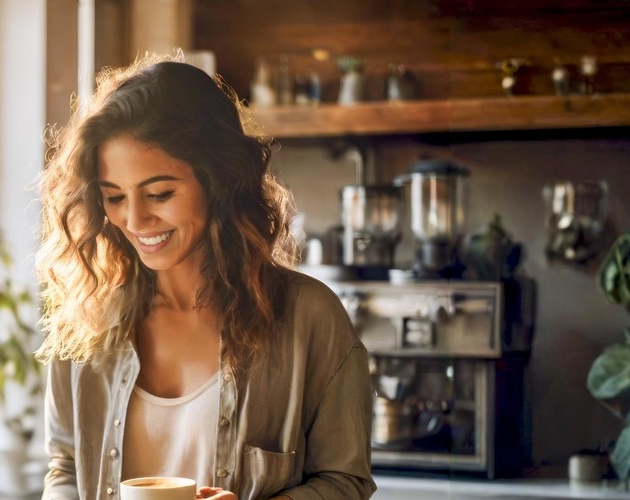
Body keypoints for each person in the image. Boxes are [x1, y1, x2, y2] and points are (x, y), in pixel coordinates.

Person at [35, 53, 375, 500]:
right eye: (114, 197)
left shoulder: (308, 317)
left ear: (219, 182)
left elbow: (345, 480)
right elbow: (66, 467)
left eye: (160, 193)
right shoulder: (88, 317)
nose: (135, 220)